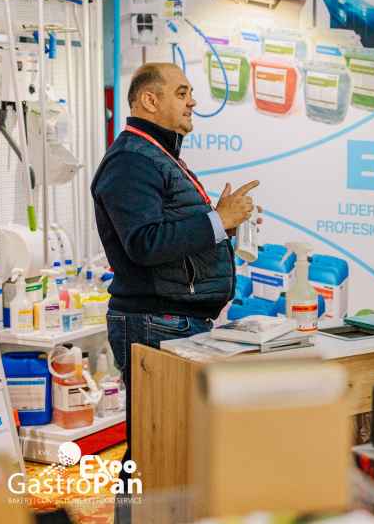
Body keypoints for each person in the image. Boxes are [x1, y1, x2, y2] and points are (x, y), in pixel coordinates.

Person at [91, 63, 256, 515]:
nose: (192, 102)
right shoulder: (131, 160)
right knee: (153, 449)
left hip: (173, 321)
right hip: (156, 322)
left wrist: (220, 224)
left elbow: (168, 235)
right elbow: (144, 243)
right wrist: (217, 220)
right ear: (150, 100)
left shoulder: (156, 155)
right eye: (182, 92)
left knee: (169, 447)